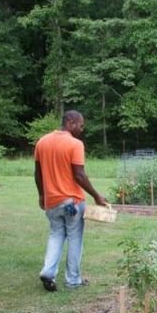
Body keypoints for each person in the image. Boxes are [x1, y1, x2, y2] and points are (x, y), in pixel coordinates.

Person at [34, 110, 107, 292]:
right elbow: (79, 175)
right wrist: (97, 196)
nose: (82, 129)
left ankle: (48, 272)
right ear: (70, 122)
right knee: (75, 238)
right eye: (80, 125)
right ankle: (73, 280)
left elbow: (37, 173)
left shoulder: (42, 142)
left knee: (56, 235)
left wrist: (42, 195)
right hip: (72, 203)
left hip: (51, 201)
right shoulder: (75, 144)